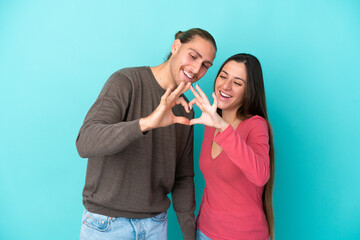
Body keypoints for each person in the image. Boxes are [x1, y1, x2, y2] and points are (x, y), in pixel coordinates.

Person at [76, 28, 217, 240]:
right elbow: (85, 142)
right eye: (193, 56)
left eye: (206, 65)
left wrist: (190, 235)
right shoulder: (126, 81)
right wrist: (148, 122)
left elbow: (183, 178)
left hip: (155, 225)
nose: (197, 69)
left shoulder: (185, 110)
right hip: (107, 225)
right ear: (176, 46)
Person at [188, 53, 275, 240]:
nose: (225, 86)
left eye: (237, 82)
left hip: (244, 235)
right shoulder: (210, 121)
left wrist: (221, 126)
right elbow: (214, 186)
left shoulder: (255, 125)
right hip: (204, 231)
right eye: (223, 76)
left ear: (249, 90)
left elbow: (260, 176)